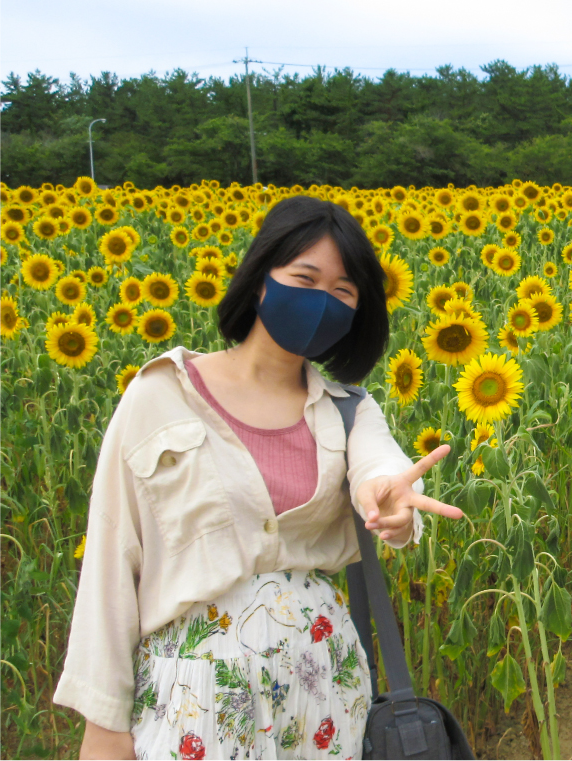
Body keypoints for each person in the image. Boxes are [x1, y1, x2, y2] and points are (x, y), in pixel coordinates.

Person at [55, 196, 464, 760]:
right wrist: (104, 725)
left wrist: (390, 504)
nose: (323, 301)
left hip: (325, 689)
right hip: (192, 698)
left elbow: (381, 469)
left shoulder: (349, 411)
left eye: (344, 292)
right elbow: (110, 560)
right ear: (258, 281)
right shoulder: (160, 397)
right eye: (305, 278)